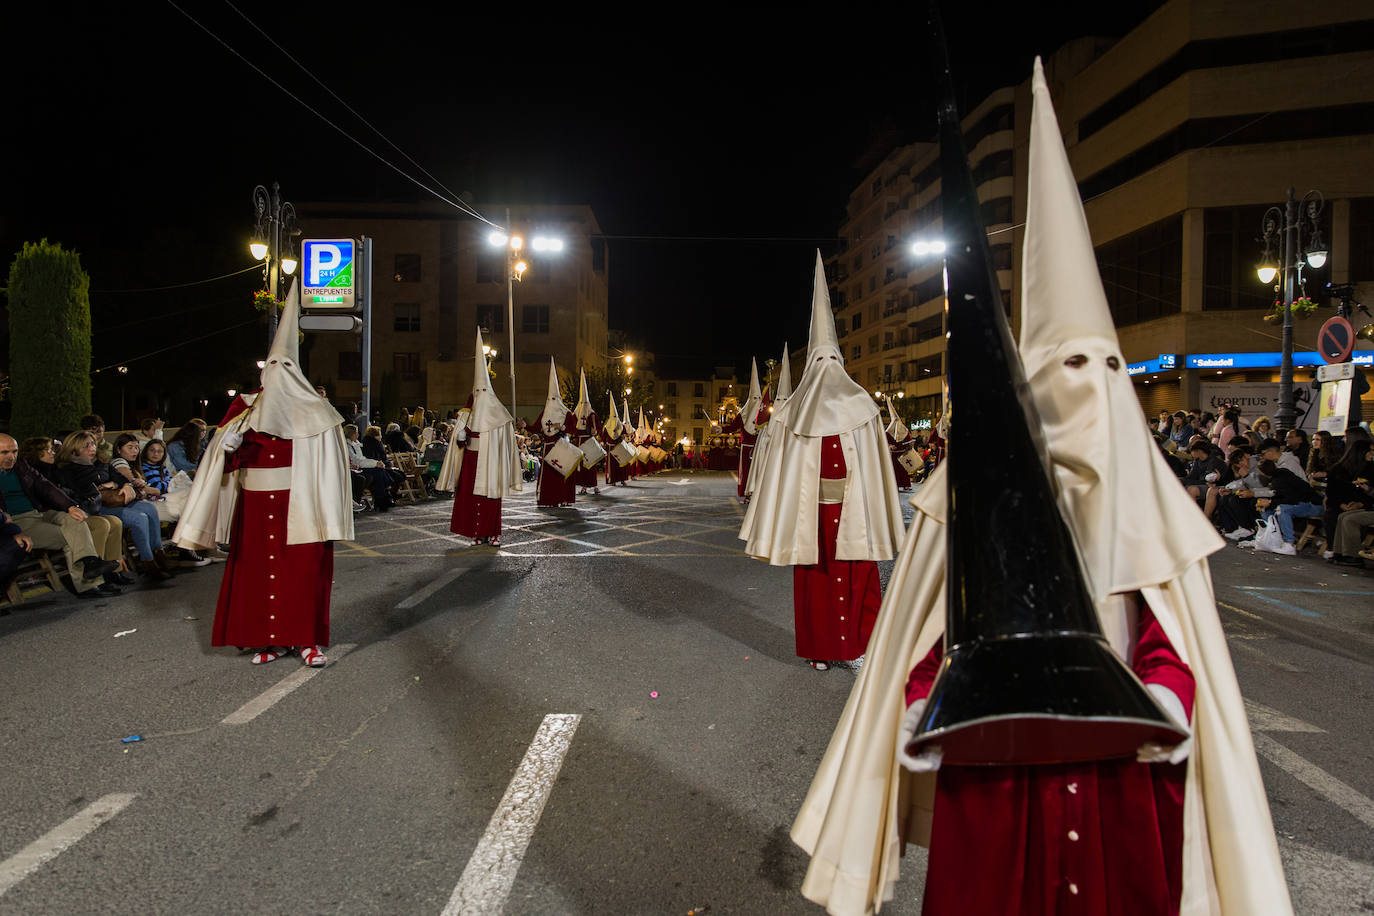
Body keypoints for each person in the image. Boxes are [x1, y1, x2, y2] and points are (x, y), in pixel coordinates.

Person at [793, 60, 1290, 916]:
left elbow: (1171, 639)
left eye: (1103, 367)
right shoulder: (972, 487)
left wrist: (1157, 700)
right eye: (1066, 366)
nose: (1085, 385)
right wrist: (922, 709)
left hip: (1118, 774)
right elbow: (928, 638)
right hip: (997, 774)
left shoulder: (1149, 498)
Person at [740, 252, 904, 671]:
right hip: (811, 515)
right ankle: (820, 648)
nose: (827, 369)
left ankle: (857, 645)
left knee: (857, 578)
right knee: (816, 584)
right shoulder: (793, 413)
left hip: (853, 510)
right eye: (820, 361)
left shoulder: (862, 405)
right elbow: (781, 471)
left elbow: (875, 465)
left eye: (832, 360)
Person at [175, 283, 351, 667]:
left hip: (300, 505)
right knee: (259, 574)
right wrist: (226, 448)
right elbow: (223, 466)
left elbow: (329, 465)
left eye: (284, 366)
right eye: (271, 366)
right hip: (254, 507)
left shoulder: (315, 413)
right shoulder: (245, 410)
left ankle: (305, 640)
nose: (276, 374)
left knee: (301, 575)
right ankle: (268, 640)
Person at [0, 433, 124, 596]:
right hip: (17, 521)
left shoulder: (20, 465)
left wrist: (70, 507)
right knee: (71, 537)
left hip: (39, 512)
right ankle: (87, 585)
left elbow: (45, 486)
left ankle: (91, 563)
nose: (11, 456)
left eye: (14, 451)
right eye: (5, 453)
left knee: (75, 519)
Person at [56, 430, 171, 582]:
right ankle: (148, 562)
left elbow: (121, 478)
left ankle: (159, 553)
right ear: (74, 448)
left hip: (112, 502)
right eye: (86, 446)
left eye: (92, 444)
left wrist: (121, 484)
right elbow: (81, 491)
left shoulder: (101, 463)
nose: (92, 448)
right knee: (139, 518)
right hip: (94, 507)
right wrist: (104, 486)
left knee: (149, 508)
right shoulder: (68, 469)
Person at [442, 329, 522, 545]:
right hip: (470, 460)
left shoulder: (498, 413)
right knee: (470, 498)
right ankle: (476, 533)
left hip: (490, 462)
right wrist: (460, 437)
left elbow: (503, 442)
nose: (477, 395)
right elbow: (460, 440)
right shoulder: (469, 409)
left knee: (490, 500)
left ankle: (493, 532)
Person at [527, 358, 577, 508]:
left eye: (555, 398)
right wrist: (526, 426)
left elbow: (573, 429)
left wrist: (561, 427)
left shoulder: (567, 413)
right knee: (548, 477)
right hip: (547, 448)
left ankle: (563, 498)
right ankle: (548, 500)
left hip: (560, 446)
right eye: (550, 398)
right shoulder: (544, 412)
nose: (552, 401)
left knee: (561, 473)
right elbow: (536, 427)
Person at [1324, 439, 1373, 566]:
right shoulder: (1340, 469)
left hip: (1366, 505)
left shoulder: (1370, 469)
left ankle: (1353, 554)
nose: (1372, 454)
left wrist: (1362, 501)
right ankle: (1340, 553)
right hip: (1346, 503)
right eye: (1370, 451)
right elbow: (1332, 492)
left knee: (1349, 519)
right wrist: (1342, 504)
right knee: (1341, 516)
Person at [343, 424, 393, 512]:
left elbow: (362, 459)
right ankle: (382, 499)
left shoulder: (356, 444)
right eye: (356, 433)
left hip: (361, 466)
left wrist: (375, 463)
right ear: (351, 434)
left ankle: (382, 499)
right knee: (378, 473)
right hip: (358, 468)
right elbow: (357, 460)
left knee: (380, 472)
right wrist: (375, 463)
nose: (358, 435)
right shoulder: (348, 446)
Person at [568, 368, 601, 495]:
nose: (584, 405)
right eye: (582, 402)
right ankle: (583, 486)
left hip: (589, 441)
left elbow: (597, 428)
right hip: (579, 442)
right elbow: (571, 426)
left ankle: (594, 485)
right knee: (581, 466)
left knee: (591, 464)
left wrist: (595, 431)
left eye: (586, 402)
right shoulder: (575, 413)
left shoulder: (593, 414)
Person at [883, 395, 913, 491]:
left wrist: (909, 446)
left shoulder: (904, 430)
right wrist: (889, 446)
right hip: (894, 455)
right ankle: (895, 485)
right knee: (894, 470)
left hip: (903, 453)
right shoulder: (888, 431)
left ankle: (905, 484)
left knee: (903, 470)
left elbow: (909, 440)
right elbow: (884, 441)